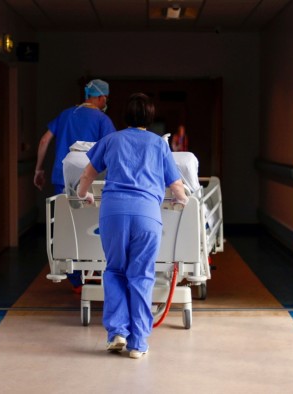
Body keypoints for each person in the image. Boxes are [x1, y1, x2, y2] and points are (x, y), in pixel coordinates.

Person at [77, 93, 188, 359]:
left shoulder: (111, 140)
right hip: (146, 216)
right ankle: (137, 343)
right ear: (150, 118)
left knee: (115, 270)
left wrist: (83, 195)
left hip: (113, 214)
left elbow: (86, 174)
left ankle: (117, 332)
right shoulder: (158, 145)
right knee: (140, 275)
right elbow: (176, 185)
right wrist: (183, 200)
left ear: (125, 116)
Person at [34, 79, 116, 293]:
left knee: (65, 225)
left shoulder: (65, 115)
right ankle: (95, 274)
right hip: (93, 182)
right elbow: (112, 150)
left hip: (63, 179)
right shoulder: (102, 119)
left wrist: (38, 170)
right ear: (101, 98)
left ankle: (75, 280)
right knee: (91, 227)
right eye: (105, 98)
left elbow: (44, 141)